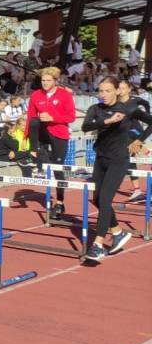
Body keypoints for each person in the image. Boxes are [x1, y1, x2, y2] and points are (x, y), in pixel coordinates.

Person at [80, 77, 152, 262]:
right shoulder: (95, 109)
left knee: (105, 200)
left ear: (117, 91)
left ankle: (97, 244)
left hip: (118, 160)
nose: (103, 94)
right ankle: (118, 232)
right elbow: (85, 126)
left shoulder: (129, 109)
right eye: (100, 91)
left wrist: (139, 140)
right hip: (100, 159)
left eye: (107, 91)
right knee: (97, 199)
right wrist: (108, 121)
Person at [25, 67, 76, 220]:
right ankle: (35, 153)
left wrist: (53, 118)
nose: (45, 83)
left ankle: (60, 203)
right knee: (34, 121)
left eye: (48, 80)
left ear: (55, 81)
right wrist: (26, 138)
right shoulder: (36, 95)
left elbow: (71, 117)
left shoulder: (65, 95)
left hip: (59, 133)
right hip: (43, 133)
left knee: (57, 168)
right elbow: (30, 117)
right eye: (43, 80)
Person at [118, 79, 151, 202]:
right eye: (119, 88)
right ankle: (137, 190)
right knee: (129, 159)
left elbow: (145, 102)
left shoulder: (134, 101)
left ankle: (148, 153)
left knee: (129, 147)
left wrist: (147, 112)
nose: (120, 91)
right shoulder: (115, 103)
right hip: (125, 134)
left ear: (128, 89)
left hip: (135, 131)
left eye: (123, 88)